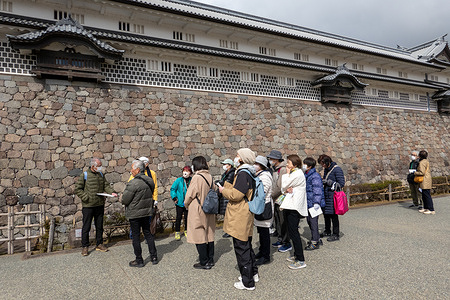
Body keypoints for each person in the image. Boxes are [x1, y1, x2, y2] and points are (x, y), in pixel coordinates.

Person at [219, 148, 258, 291]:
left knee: (241, 248)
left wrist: (223, 191)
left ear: (242, 158)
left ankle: (247, 282)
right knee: (246, 245)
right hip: (245, 213)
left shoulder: (242, 173)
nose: (235, 158)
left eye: (237, 155)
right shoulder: (249, 172)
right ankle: (252, 273)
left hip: (240, 214)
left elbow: (236, 195)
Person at [75, 158, 117, 256]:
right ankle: (85, 246)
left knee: (99, 225)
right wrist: (86, 197)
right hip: (88, 205)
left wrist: (111, 192)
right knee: (86, 226)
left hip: (99, 204)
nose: (100, 167)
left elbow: (105, 185)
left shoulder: (101, 175)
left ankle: (99, 244)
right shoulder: (84, 175)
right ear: (93, 166)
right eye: (99, 165)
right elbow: (78, 189)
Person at [121, 160, 158, 267]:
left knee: (136, 236)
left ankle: (139, 260)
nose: (131, 171)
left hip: (135, 214)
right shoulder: (150, 181)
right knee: (148, 234)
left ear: (137, 170)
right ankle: (154, 257)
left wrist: (120, 197)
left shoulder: (133, 183)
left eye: (132, 168)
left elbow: (125, 200)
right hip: (146, 212)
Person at [184, 156, 216, 270]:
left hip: (198, 209)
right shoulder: (209, 176)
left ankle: (204, 261)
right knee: (209, 234)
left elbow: (190, 194)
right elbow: (215, 189)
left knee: (199, 235)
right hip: (209, 209)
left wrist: (185, 204)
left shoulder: (197, 177)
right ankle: (210, 259)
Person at [280, 154, 308, 270]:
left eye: (289, 162)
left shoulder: (297, 173)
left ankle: (301, 260)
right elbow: (285, 188)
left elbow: (284, 184)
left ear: (295, 164)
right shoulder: (295, 173)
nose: (287, 164)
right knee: (292, 232)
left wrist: (286, 174)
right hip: (290, 205)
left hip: (294, 207)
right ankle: (296, 255)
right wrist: (287, 188)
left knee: (294, 233)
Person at [267, 150, 290, 253]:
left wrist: (270, 195)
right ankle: (280, 239)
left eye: (271, 158)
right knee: (277, 220)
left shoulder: (283, 169)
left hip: (281, 199)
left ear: (276, 159)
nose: (270, 160)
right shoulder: (276, 169)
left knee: (283, 221)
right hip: (276, 199)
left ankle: (286, 242)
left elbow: (280, 186)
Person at [253, 155, 273, 266]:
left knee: (265, 232)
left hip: (264, 206)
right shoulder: (260, 174)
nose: (254, 165)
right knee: (261, 231)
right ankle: (261, 251)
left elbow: (263, 191)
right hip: (260, 205)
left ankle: (266, 255)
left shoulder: (265, 176)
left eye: (256, 163)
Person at [320, 155, 345, 242]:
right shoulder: (327, 169)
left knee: (334, 215)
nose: (322, 166)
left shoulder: (337, 169)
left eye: (323, 163)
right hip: (327, 195)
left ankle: (335, 234)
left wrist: (329, 182)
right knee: (326, 214)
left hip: (333, 196)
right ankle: (327, 230)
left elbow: (341, 183)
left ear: (327, 162)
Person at [303, 157, 324, 250]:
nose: (303, 166)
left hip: (313, 203)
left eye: (305, 164)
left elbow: (317, 190)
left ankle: (315, 242)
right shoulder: (307, 174)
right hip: (308, 202)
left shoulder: (315, 176)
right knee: (310, 221)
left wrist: (316, 202)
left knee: (313, 222)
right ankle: (317, 238)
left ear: (310, 166)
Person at [170, 166, 192, 240]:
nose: (185, 172)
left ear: (190, 173)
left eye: (187, 171)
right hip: (179, 202)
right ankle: (177, 232)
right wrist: (174, 197)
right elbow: (173, 189)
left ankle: (186, 230)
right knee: (178, 217)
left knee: (187, 218)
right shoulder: (178, 180)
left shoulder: (192, 180)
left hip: (188, 203)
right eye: (184, 170)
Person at [217, 158, 236, 238]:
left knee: (229, 214)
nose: (224, 166)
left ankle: (230, 231)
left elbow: (227, 182)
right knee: (226, 214)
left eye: (225, 164)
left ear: (229, 165)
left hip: (227, 194)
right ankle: (228, 230)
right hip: (224, 193)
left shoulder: (231, 173)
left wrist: (219, 182)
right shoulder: (226, 173)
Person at [415, 150, 435, 215]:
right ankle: (426, 207)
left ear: (420, 156)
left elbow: (421, 172)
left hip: (424, 180)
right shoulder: (426, 161)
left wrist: (414, 172)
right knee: (424, 194)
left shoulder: (421, 162)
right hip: (427, 179)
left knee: (426, 195)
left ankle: (431, 209)